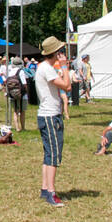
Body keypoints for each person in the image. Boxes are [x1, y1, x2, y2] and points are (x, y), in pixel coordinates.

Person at [35, 37, 72, 207]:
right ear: (55, 53)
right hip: (50, 116)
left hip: (46, 115)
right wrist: (65, 67)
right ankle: (51, 191)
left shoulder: (44, 67)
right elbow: (67, 86)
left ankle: (45, 188)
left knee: (49, 153)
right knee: (54, 155)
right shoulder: (47, 69)